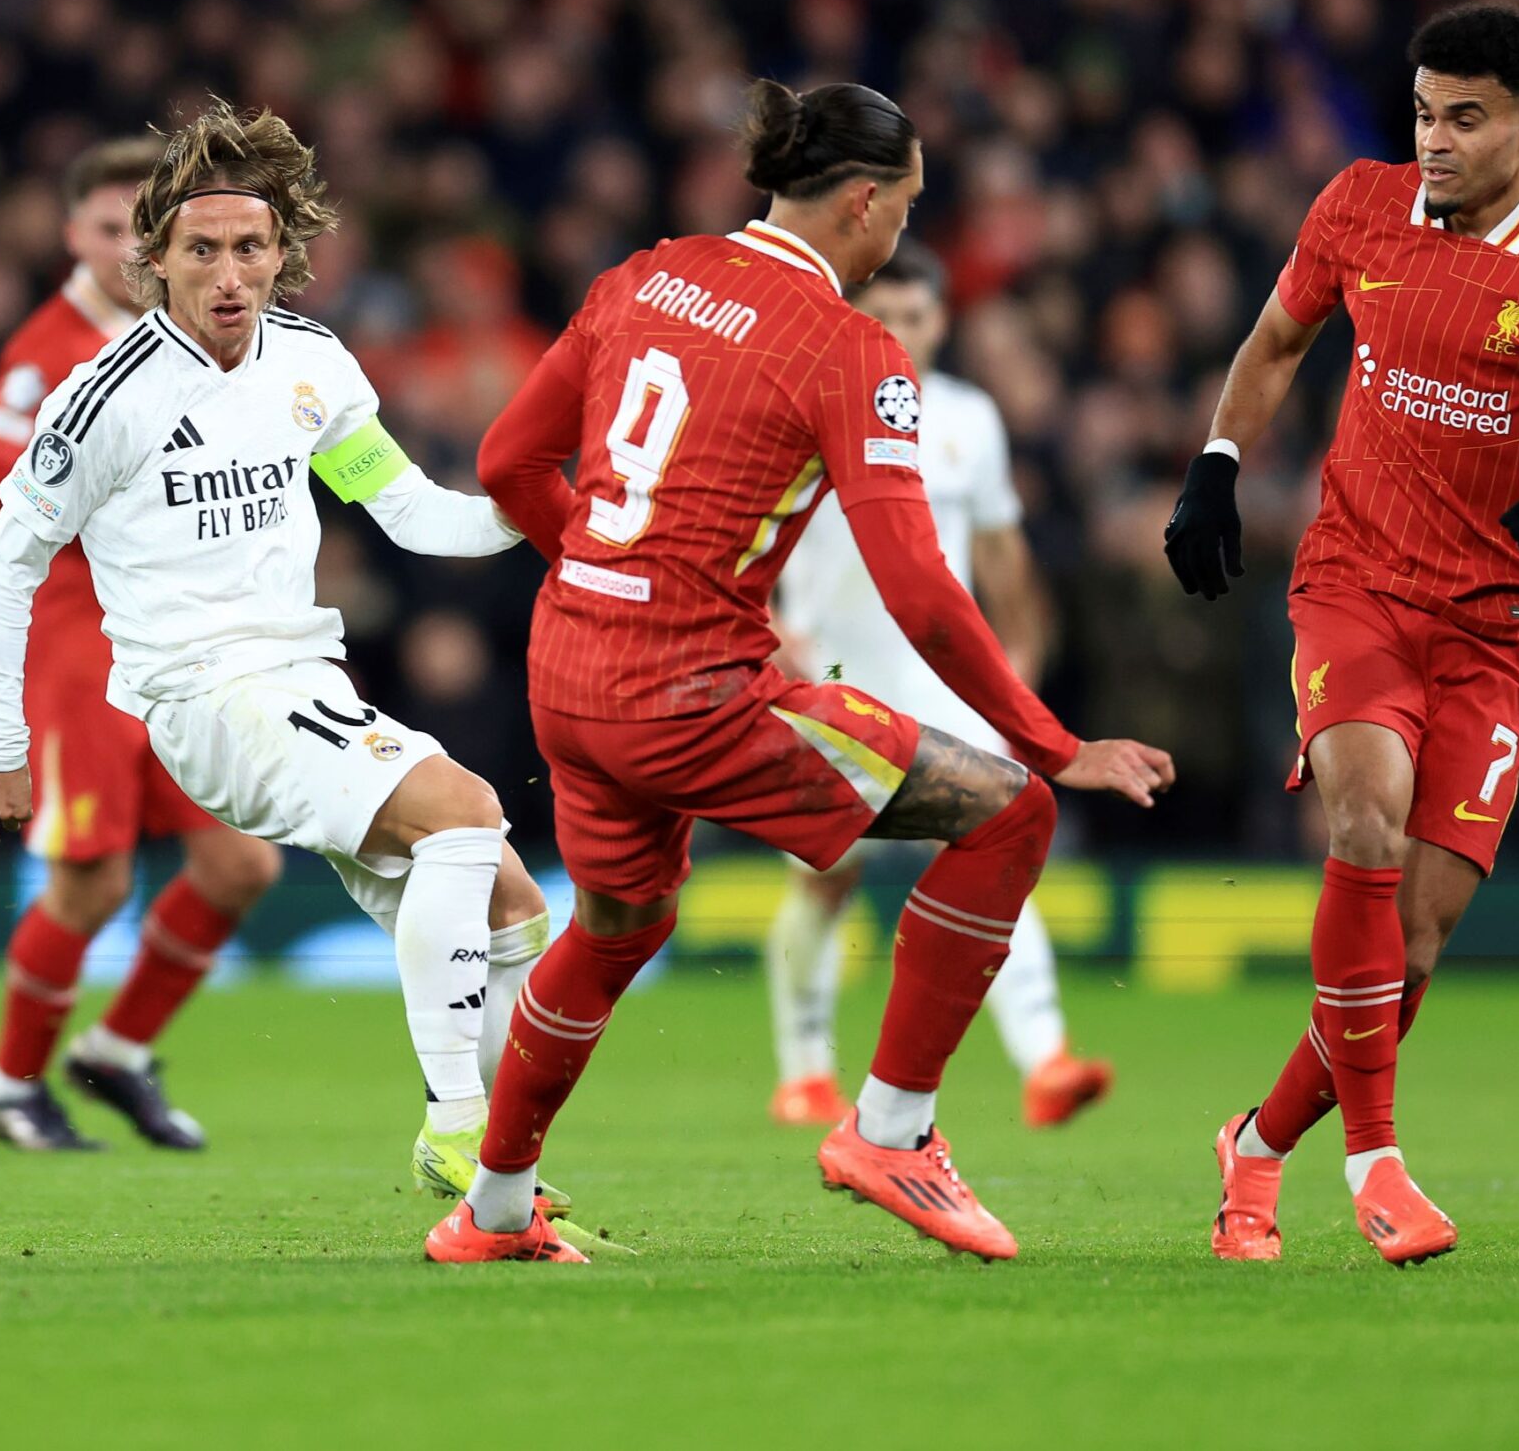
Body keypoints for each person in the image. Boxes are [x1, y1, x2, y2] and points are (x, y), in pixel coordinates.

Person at [436, 81, 1174, 1265]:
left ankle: (496, 1209)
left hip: (568, 670)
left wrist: (601, 574)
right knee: (1008, 812)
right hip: (690, 693)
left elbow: (506, 459)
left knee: (618, 923)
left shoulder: (645, 275)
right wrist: (1054, 740)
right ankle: (890, 1130)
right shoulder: (851, 350)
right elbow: (923, 590)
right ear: (865, 203)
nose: (904, 237)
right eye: (908, 208)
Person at [1163, 4, 1519, 1267]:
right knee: (1362, 816)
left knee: (1410, 945)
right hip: (1354, 583)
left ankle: (1254, 1146)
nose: (1433, 141)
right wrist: (1214, 463)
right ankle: (1377, 1167)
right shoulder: (1358, 205)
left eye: (1463, 118)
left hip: (1497, 623)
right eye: (1422, 112)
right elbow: (1275, 340)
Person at [0, 102, 566, 1214]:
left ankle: (501, 1197)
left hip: (300, 678)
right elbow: (7, 560)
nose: (228, 274)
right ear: (156, 259)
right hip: (203, 696)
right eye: (202, 250)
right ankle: (455, 1128)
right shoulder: (104, 396)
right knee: (469, 813)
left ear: (283, 255)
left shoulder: (314, 365)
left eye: (249, 248)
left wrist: (548, 515)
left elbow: (416, 514)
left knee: (513, 911)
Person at [0, 137, 284, 1154]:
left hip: (178, 638)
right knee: (92, 881)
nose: (125, 249)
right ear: (72, 235)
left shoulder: (195, 338)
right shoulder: (46, 348)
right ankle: (10, 1082)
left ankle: (117, 1053)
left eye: (136, 227)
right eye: (104, 229)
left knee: (239, 865)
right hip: (77, 647)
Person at [766, 241, 1112, 1132]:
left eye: (912, 319)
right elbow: (742, 538)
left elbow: (1003, 564)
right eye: (879, 318)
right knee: (829, 878)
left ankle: (1046, 1060)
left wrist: (1016, 679)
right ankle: (805, 1069)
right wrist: (770, 630)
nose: (897, 335)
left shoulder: (969, 420)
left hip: (941, 683)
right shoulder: (800, 407)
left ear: (940, 322)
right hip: (828, 678)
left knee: (999, 845)